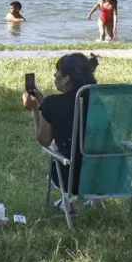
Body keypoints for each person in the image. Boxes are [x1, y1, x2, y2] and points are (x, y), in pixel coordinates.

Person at [22, 53, 104, 209]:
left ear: (66, 78)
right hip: (107, 175)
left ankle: (69, 204)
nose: (55, 75)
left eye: (58, 70)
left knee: (58, 148)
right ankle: (97, 201)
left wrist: (35, 110)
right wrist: (44, 105)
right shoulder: (98, 101)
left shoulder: (54, 103)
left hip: (72, 179)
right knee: (93, 144)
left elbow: (44, 140)